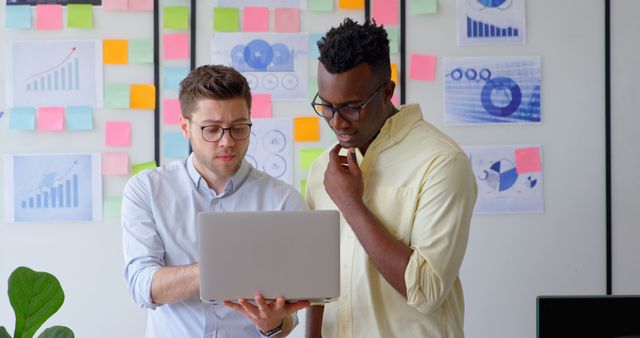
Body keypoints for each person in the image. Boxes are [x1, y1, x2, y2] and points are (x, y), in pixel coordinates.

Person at [305, 18, 478, 338]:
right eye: (327, 106)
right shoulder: (323, 168)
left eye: (351, 107)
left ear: (387, 92)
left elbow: (426, 290)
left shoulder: (441, 162)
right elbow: (319, 284)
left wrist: (350, 203)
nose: (337, 123)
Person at [122, 65, 309, 338]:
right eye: (211, 129)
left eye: (238, 128)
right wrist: (221, 266)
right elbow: (143, 287)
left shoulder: (283, 200)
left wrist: (273, 324)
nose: (227, 142)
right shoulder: (147, 190)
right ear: (185, 127)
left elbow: (289, 316)